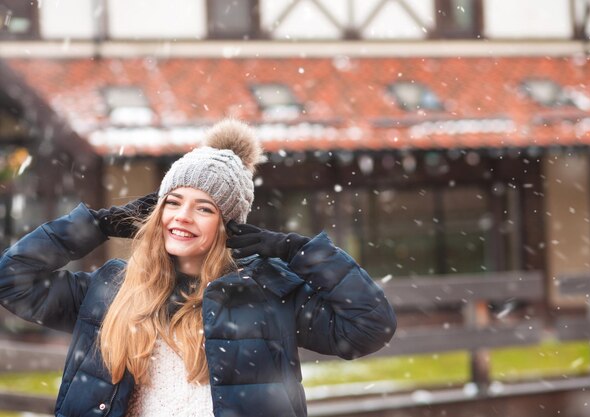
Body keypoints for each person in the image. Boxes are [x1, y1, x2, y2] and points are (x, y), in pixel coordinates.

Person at [0, 119, 397, 417]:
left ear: (229, 224)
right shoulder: (111, 288)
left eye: (204, 207)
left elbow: (368, 328)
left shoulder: (265, 292)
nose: (183, 216)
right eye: (173, 202)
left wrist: (296, 251)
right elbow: (12, 281)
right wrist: (98, 224)